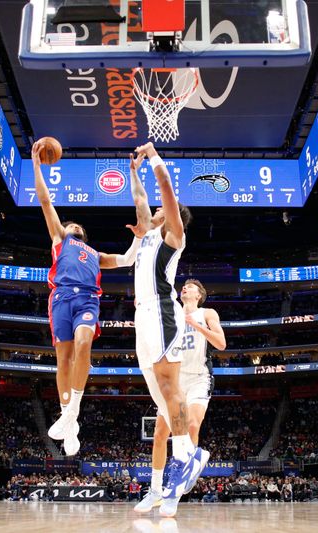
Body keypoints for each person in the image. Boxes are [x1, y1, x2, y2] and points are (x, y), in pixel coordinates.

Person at [31, 140, 147, 456]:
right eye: (72, 224)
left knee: (84, 344)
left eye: (78, 225)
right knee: (63, 360)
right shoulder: (59, 239)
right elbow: (44, 200)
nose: (75, 225)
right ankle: (69, 421)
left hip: (87, 300)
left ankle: (71, 412)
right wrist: (35, 166)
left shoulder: (95, 254)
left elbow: (126, 260)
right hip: (60, 299)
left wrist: (137, 240)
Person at [128, 142, 207, 518]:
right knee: (160, 397)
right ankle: (180, 464)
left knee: (169, 389)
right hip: (142, 317)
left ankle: (185, 463)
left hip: (161, 312)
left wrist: (155, 157)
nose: (156, 211)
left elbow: (165, 194)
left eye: (162, 210)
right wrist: (133, 170)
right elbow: (142, 199)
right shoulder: (145, 236)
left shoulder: (174, 235)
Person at [135, 278, 225, 513]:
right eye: (183, 286)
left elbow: (221, 343)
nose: (185, 287)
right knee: (159, 434)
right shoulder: (171, 310)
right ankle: (155, 490)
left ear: (199, 295)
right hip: (174, 380)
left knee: (191, 425)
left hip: (198, 378)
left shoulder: (207, 312)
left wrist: (194, 324)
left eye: (191, 286)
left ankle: (174, 486)